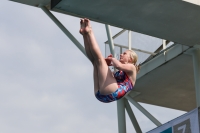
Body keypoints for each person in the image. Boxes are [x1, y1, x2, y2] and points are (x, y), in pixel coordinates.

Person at [79, 18, 139, 103]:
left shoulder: (132, 68)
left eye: (124, 54)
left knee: (99, 59)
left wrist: (111, 60)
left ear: (131, 59)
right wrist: (107, 63)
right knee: (95, 61)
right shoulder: (121, 72)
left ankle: (90, 32)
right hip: (102, 94)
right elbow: (105, 75)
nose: (121, 54)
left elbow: (118, 65)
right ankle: (85, 34)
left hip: (111, 92)